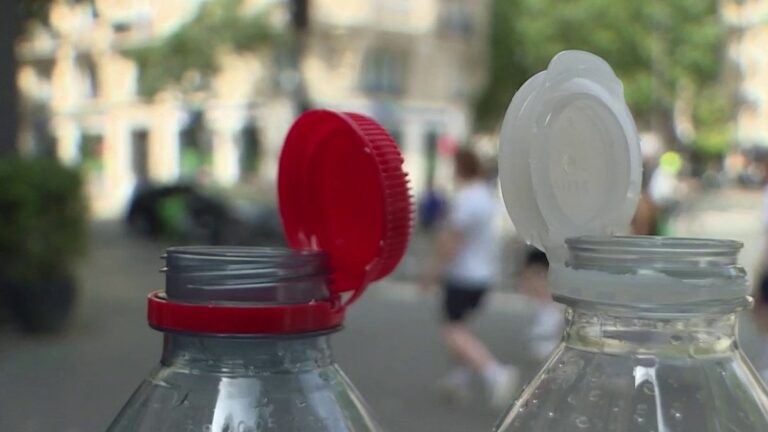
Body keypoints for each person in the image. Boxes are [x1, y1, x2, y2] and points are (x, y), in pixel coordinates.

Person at [422, 148, 518, 407]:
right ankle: (459, 378)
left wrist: (432, 271)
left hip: (464, 275)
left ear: (459, 167)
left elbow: (451, 241)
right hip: (482, 274)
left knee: (453, 331)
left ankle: (495, 373)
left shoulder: (466, 199)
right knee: (460, 326)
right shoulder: (485, 196)